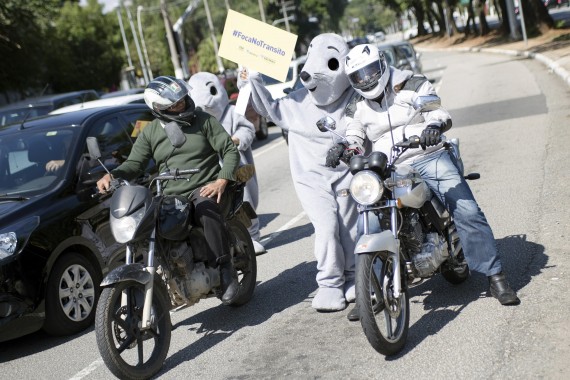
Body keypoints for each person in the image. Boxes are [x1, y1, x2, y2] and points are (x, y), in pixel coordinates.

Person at [326, 44, 520, 320]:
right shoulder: (356, 105)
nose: (366, 80)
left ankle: (495, 276)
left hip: (427, 154)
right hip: (388, 164)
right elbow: (354, 137)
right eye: (358, 76)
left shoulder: (411, 83)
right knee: (366, 218)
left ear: (382, 65)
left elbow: (436, 109)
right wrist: (344, 148)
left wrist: (433, 127)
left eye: (369, 72)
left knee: (465, 209)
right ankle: (371, 291)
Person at [238, 33, 359, 312]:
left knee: (349, 228)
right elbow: (269, 108)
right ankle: (329, 282)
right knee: (327, 228)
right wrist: (252, 80)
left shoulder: (354, 96)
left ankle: (353, 276)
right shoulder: (299, 101)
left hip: (346, 173)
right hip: (312, 178)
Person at [96, 76, 242, 304]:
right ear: (158, 108)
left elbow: (230, 151)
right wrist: (112, 175)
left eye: (182, 100)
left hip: (205, 188)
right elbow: (134, 164)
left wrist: (221, 180)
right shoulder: (151, 132)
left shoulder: (203, 120)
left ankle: (225, 269)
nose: (181, 105)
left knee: (204, 209)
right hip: (171, 195)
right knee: (147, 221)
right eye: (174, 104)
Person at [188, 72, 266, 254]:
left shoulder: (231, 113)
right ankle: (230, 242)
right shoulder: (196, 120)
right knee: (217, 208)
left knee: (243, 203)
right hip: (211, 174)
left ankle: (252, 237)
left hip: (236, 170)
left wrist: (236, 140)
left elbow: (247, 128)